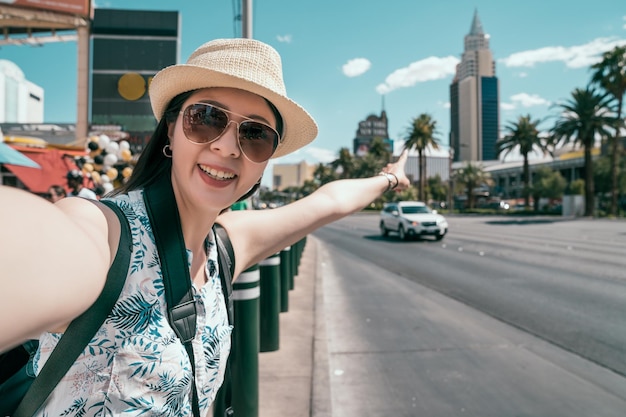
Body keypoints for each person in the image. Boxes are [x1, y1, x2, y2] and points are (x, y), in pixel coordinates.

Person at [0, 38, 409, 415]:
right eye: (207, 118)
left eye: (255, 134)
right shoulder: (106, 233)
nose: (228, 146)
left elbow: (328, 202)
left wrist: (389, 178)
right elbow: (35, 249)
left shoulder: (227, 246)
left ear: (264, 163)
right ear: (172, 131)